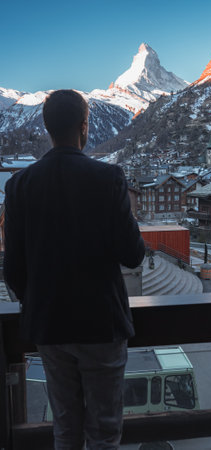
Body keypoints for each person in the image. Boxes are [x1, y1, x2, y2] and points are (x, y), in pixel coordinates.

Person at [3, 89, 145, 450]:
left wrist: (35, 299)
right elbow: (133, 255)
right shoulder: (109, 178)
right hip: (101, 326)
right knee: (104, 431)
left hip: (49, 326)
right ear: (85, 126)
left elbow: (13, 267)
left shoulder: (19, 185)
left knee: (65, 429)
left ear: (47, 127)